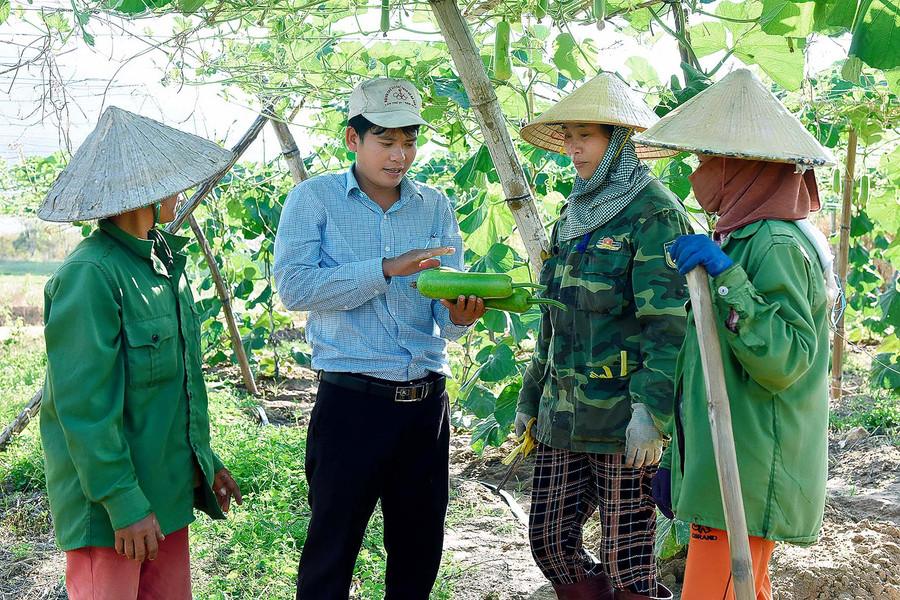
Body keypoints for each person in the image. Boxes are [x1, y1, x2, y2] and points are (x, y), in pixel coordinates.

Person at [273, 77, 487, 600]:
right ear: (353, 138)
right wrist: (386, 268)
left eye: (409, 141)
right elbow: (295, 288)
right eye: (386, 142)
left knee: (418, 556)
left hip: (425, 406)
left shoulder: (433, 206)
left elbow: (447, 321)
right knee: (331, 554)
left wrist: (464, 314)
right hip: (352, 403)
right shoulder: (314, 200)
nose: (400, 155)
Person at [634, 68, 835, 600]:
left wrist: (727, 279)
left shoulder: (776, 244)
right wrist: (683, 463)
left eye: (705, 162)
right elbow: (707, 368)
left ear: (740, 166)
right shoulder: (742, 235)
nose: (697, 174)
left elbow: (785, 358)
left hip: (749, 470)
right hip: (727, 466)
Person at [37, 106, 243, 600]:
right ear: (144, 192)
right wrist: (124, 502)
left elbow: (177, 388)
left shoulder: (161, 263)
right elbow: (84, 410)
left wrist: (204, 461)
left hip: (164, 495)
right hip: (114, 512)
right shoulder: (92, 275)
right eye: (171, 181)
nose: (179, 190)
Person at [516, 72, 690, 600]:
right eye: (567, 135)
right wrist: (530, 396)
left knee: (627, 560)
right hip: (562, 413)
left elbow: (669, 325)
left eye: (583, 136)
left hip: (622, 417)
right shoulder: (575, 211)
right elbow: (553, 317)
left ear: (617, 141)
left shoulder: (654, 213)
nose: (572, 148)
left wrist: (651, 414)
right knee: (549, 542)